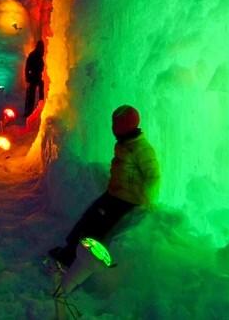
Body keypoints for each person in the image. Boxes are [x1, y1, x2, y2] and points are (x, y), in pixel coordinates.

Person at [47, 105, 161, 268]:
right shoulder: (125, 143)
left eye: (117, 124)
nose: (113, 128)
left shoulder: (141, 148)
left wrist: (147, 200)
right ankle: (69, 250)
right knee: (87, 219)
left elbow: (154, 176)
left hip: (127, 200)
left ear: (126, 125)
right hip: (114, 195)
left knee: (97, 228)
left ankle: (77, 261)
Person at [24, 40, 45, 118]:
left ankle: (40, 109)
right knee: (31, 95)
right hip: (34, 76)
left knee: (41, 94)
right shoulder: (33, 55)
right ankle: (29, 111)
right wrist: (27, 76)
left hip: (39, 76)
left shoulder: (41, 54)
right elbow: (27, 67)